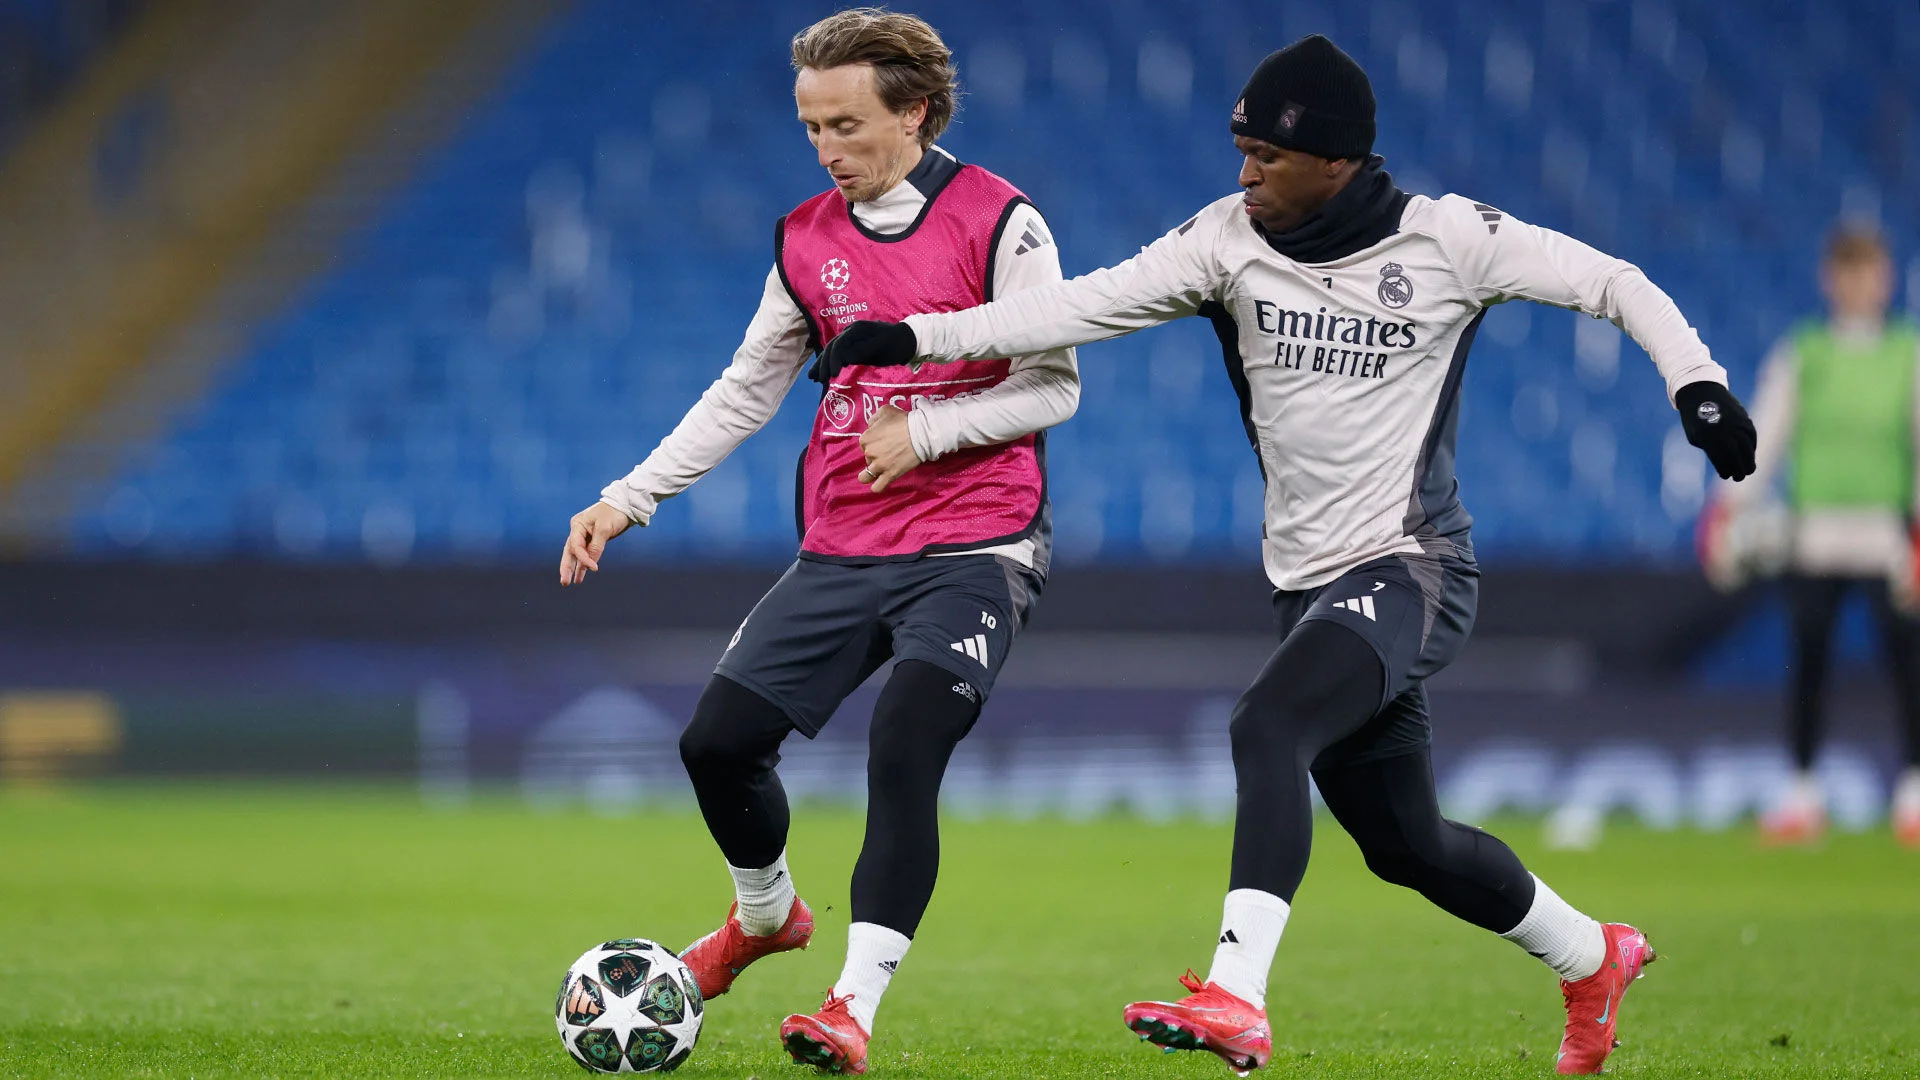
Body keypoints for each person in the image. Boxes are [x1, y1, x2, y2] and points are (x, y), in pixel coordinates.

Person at [818, 34, 1756, 1076]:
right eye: (1240, 148)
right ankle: (1593, 955)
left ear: (1338, 161)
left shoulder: (1449, 240)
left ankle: (1236, 995)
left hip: (1413, 565)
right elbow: (1077, 303)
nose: (1245, 172)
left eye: (1266, 154)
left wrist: (1697, 384)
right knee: (1406, 846)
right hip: (1308, 583)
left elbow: (1615, 281)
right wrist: (917, 338)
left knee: (1267, 725)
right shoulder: (1226, 240)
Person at [559, 9, 1078, 1074]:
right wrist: (631, 495)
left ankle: (851, 1007)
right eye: (810, 128)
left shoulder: (1000, 223)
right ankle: (765, 916)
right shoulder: (806, 239)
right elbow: (748, 387)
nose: (826, 149)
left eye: (845, 125)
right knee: (715, 745)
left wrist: (927, 428)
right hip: (844, 546)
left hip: (975, 545)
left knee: (903, 745)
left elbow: (1053, 386)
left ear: (915, 113)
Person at [1700, 227, 1920, 847]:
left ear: (1886, 278)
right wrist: (1729, 506)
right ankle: (1802, 792)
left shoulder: (1907, 352)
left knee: (1908, 664)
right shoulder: (1806, 352)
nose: (1858, 285)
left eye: (1868, 271)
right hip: (1816, 532)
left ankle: (1913, 793)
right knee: (1808, 664)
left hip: (1884, 532)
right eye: (1848, 272)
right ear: (1831, 280)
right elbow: (1765, 434)